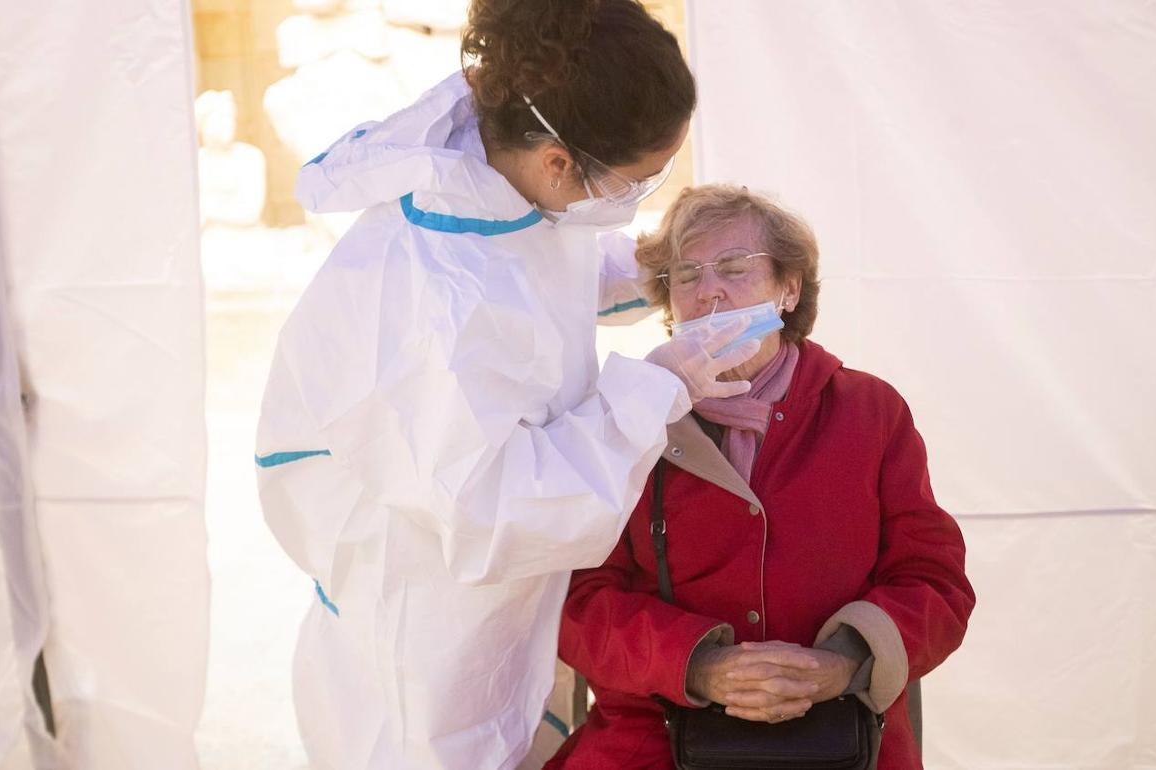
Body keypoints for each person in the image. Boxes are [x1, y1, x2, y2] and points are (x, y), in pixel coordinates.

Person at [254, 3, 763, 768]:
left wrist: (656, 272)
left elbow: (535, 276)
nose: (638, 197)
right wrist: (653, 392)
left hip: (487, 597)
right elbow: (498, 507)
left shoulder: (497, 182)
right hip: (426, 612)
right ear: (560, 161)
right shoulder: (430, 302)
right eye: (636, 182)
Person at [546, 185, 976, 770]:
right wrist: (699, 665)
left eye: (733, 268)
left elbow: (934, 581)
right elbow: (575, 602)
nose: (709, 291)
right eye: (687, 274)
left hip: (841, 737)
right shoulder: (621, 418)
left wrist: (844, 661)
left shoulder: (870, 411)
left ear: (788, 289)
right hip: (657, 731)